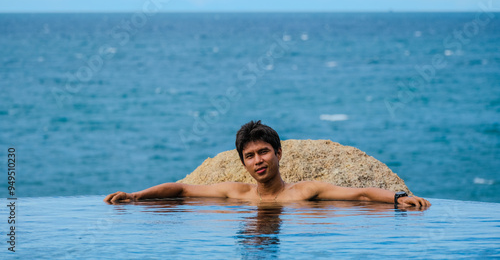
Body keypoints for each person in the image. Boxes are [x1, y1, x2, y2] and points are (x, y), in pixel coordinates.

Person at [105, 120, 431, 207]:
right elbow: (182, 190)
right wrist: (135, 197)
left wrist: (399, 198)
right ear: (243, 163)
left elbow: (359, 195)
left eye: (263, 152)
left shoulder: (303, 193)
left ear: (277, 153)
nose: (258, 160)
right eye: (250, 156)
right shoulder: (239, 194)